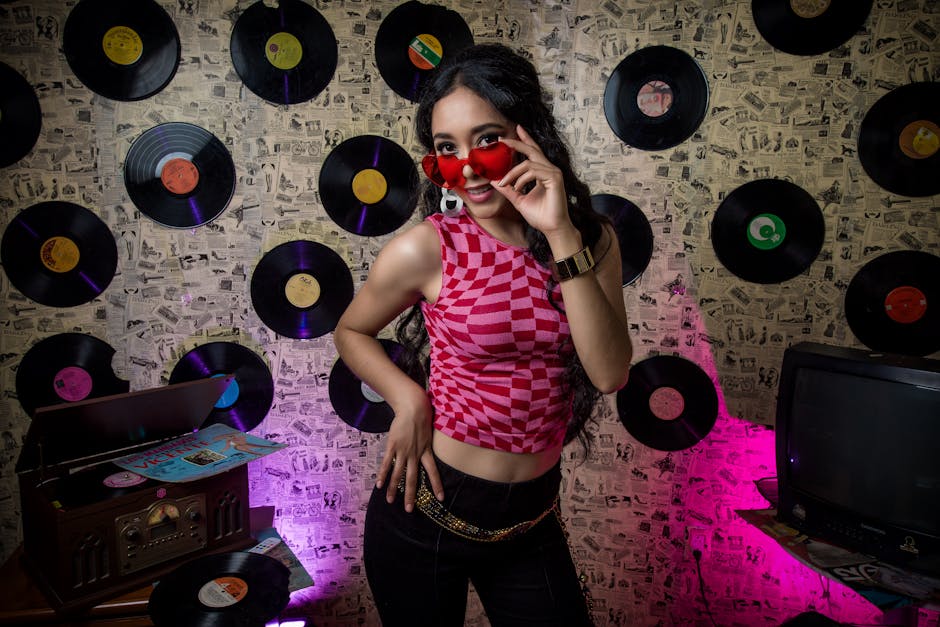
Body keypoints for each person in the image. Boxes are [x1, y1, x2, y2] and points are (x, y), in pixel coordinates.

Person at [333, 43, 632, 626]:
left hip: (532, 522)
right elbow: (351, 331)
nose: (466, 167)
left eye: (487, 139)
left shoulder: (593, 239)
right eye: (447, 149)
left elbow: (609, 373)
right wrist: (408, 396)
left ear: (530, 135)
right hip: (426, 517)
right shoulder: (428, 246)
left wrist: (561, 232)